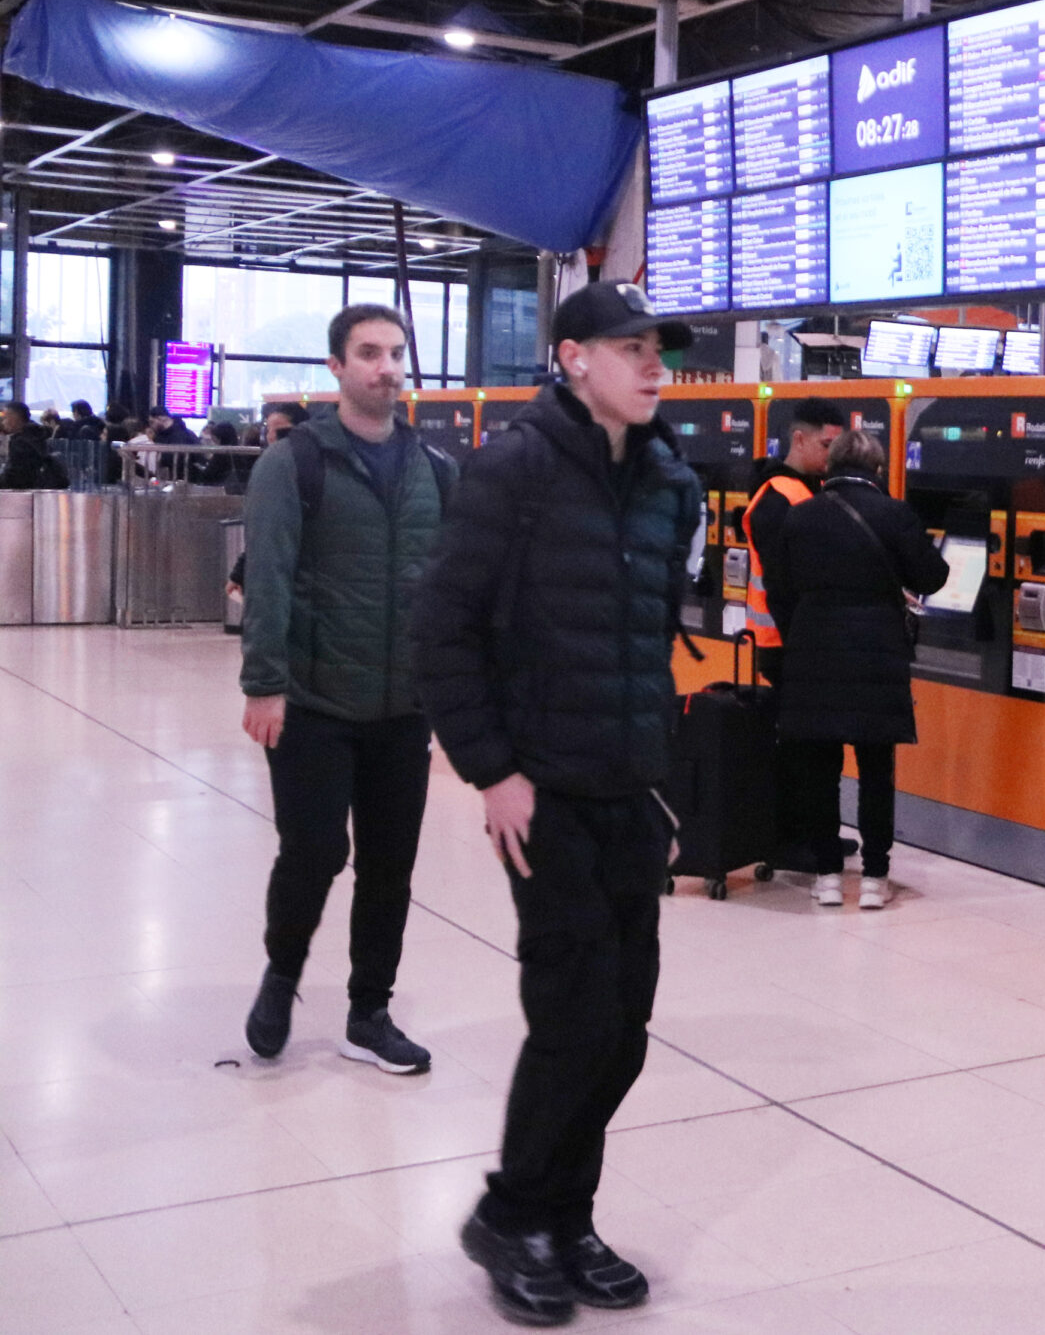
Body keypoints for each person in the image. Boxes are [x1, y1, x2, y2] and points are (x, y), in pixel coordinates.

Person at [414, 279, 702, 1327]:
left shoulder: (669, 480)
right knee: (575, 1012)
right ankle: (512, 1215)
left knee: (623, 1025)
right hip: (541, 790)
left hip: (629, 786)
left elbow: (646, 636)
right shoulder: (516, 469)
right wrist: (492, 768)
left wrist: (658, 770)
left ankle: (563, 1218)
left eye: (659, 349)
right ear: (574, 359)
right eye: (632, 348)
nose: (655, 366)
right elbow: (443, 627)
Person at [238, 306, 450, 1074]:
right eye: (368, 353)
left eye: (395, 352)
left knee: (391, 864)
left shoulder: (435, 468)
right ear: (336, 366)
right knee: (315, 850)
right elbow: (267, 577)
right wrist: (264, 684)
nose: (385, 367)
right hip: (314, 701)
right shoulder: (294, 462)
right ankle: (283, 971)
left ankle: (369, 1011)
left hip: (403, 708)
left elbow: (451, 589)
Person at [763, 424, 947, 912]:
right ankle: (874, 879)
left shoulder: (801, 516)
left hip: (813, 652)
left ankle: (827, 876)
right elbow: (934, 575)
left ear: (830, 465)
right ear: (877, 468)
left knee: (820, 770)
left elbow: (778, 587)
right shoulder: (894, 513)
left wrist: (803, 629)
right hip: (876, 653)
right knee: (875, 769)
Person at [741, 397, 850, 904]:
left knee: (814, 743)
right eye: (827, 445)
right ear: (799, 439)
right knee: (803, 746)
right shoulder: (779, 497)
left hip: (798, 640)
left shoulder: (806, 490)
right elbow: (784, 583)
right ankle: (792, 841)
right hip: (785, 643)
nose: (833, 456)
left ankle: (815, 833)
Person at [0, 400, 60, 489]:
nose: (3, 422)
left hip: (25, 492)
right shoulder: (37, 435)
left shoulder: (21, 442)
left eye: (5, 418)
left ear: (14, 418)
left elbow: (15, 476)